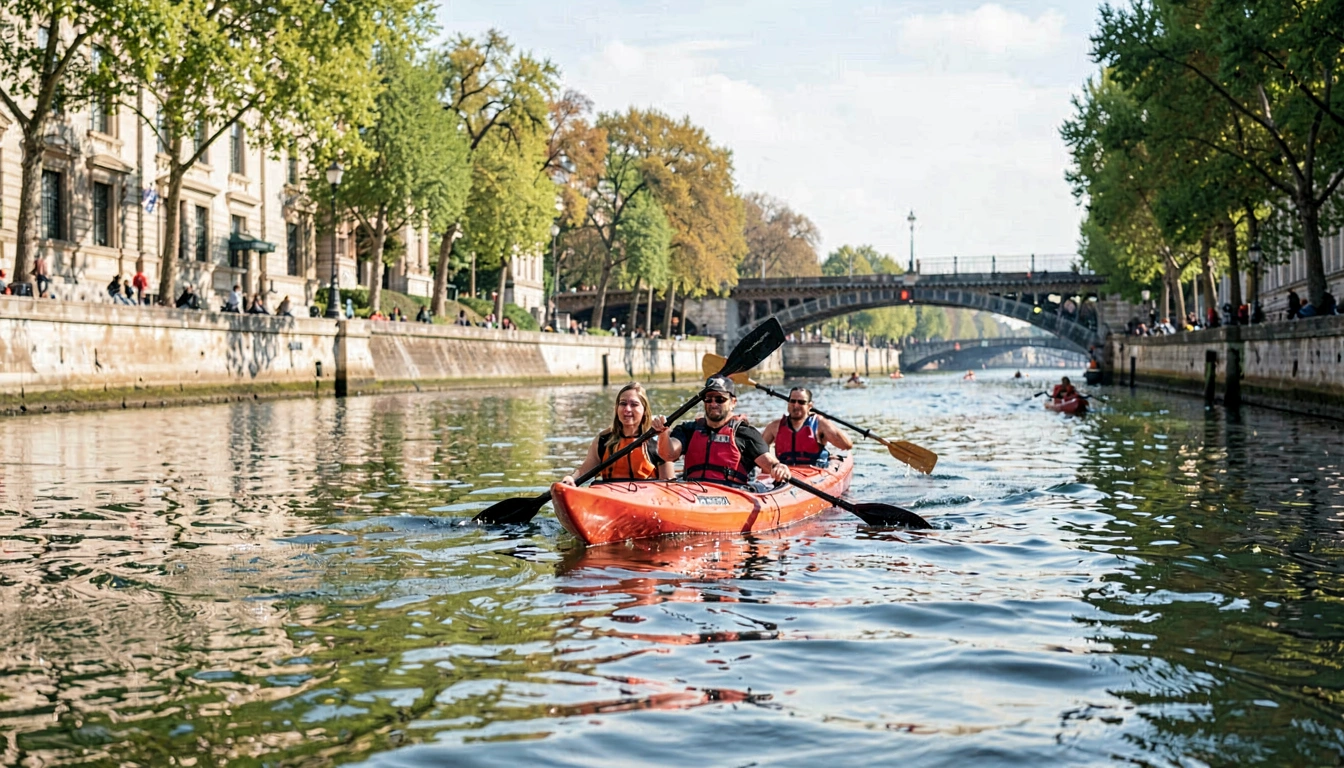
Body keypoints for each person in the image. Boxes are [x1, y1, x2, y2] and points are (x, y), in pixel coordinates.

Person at [652, 375, 791, 488]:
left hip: (731, 494)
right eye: (708, 399)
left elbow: (768, 463)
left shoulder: (745, 433)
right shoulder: (688, 429)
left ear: (733, 402)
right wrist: (663, 433)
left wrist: (778, 467)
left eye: (720, 399)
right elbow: (668, 455)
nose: (713, 404)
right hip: (691, 491)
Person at [563, 382, 675, 485]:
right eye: (623, 404)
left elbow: (668, 484)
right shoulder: (603, 440)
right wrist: (571, 479)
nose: (627, 409)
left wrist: (664, 435)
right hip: (609, 498)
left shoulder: (658, 441)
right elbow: (584, 471)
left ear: (644, 410)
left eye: (634, 404)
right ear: (617, 408)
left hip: (646, 499)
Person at [760, 387, 853, 467]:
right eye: (792, 401)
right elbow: (756, 451)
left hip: (815, 472)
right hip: (785, 471)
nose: (796, 405)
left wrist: (828, 423)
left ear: (809, 406)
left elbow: (846, 445)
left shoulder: (821, 424)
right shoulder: (774, 426)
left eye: (801, 402)